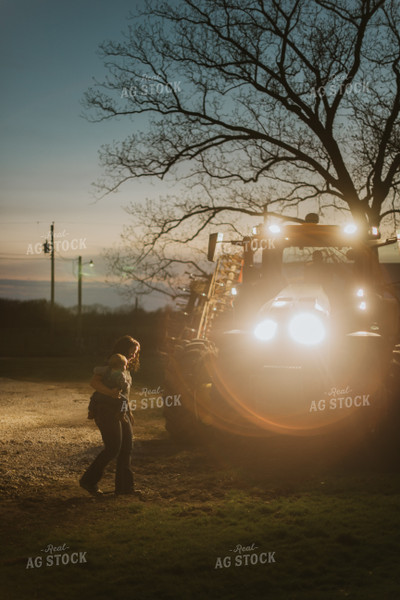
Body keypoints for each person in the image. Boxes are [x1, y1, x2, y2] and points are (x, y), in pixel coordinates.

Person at [80, 335, 141, 498]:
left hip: (121, 411)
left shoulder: (124, 367)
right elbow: (94, 383)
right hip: (106, 409)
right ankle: (88, 481)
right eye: (132, 351)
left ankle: (125, 488)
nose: (134, 355)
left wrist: (129, 411)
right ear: (124, 349)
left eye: (135, 353)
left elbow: (125, 393)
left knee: (126, 448)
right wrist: (110, 393)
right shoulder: (111, 364)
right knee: (113, 447)